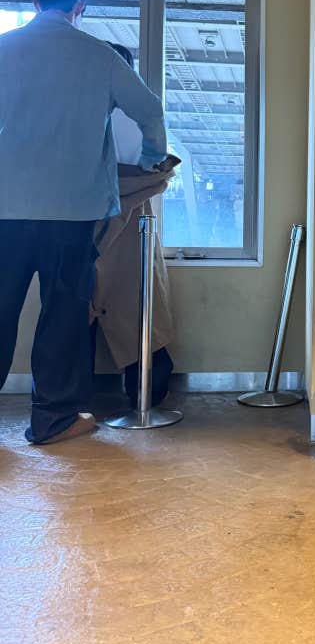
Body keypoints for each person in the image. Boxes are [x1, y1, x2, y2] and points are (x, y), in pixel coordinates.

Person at [0, 0, 167, 444]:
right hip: (73, 212)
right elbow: (149, 110)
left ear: (36, 2)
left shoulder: (4, 49)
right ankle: (53, 420)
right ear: (79, 6)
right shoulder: (100, 55)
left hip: (6, 209)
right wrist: (152, 158)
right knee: (63, 315)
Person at [91, 42, 177, 408]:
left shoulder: (86, 110)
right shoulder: (140, 114)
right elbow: (154, 163)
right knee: (140, 309)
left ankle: (69, 400)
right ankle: (144, 394)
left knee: (76, 309)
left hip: (86, 216)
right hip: (135, 218)